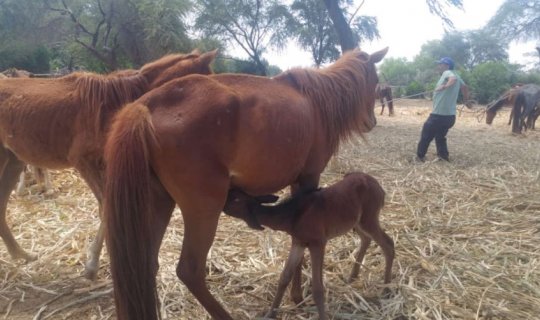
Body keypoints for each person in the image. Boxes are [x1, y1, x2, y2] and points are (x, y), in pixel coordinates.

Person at [416, 57, 471, 162]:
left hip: (438, 115)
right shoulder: (458, 76)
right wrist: (466, 100)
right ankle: (443, 156)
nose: (438, 66)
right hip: (450, 117)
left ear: (447, 65)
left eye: (440, 64)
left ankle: (420, 156)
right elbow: (465, 87)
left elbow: (453, 79)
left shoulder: (448, 73)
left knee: (426, 135)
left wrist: (445, 86)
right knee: (440, 135)